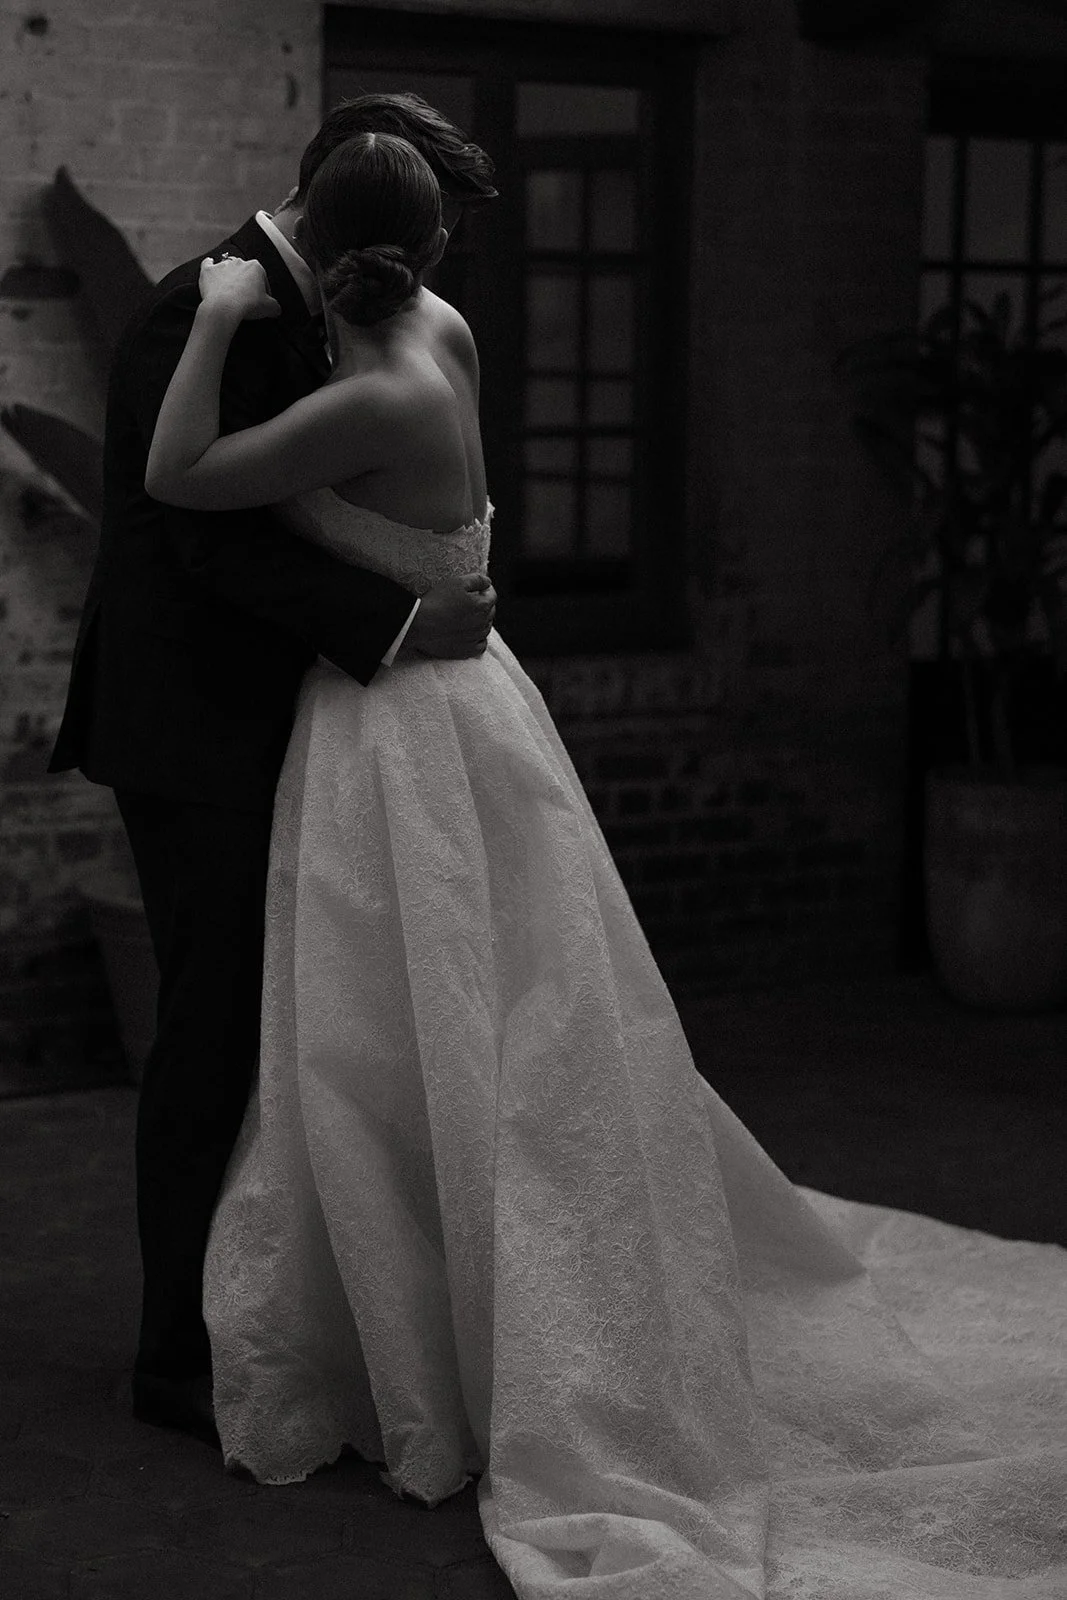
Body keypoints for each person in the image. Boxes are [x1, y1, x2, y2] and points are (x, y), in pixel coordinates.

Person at [144, 136, 1067, 1600]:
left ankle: (454, 1340)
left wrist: (206, 318)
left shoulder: (371, 385)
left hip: (399, 728)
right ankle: (475, 1310)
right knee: (497, 1015)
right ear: (433, 259)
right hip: (476, 692)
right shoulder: (444, 336)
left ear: (316, 245)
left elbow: (175, 474)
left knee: (400, 1030)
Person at [47, 94, 498, 1448]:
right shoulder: (196, 310)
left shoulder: (347, 306)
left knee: (293, 1027)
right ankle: (170, 1356)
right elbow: (190, 541)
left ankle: (292, 1300)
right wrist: (403, 618)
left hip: (295, 719)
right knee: (208, 1035)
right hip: (191, 733)